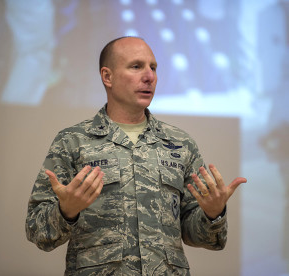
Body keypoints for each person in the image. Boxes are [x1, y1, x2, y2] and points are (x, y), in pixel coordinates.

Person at [26, 36, 247, 276]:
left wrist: (213, 213)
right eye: (136, 66)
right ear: (107, 76)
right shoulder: (73, 141)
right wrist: (65, 212)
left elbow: (200, 236)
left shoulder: (180, 144)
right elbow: (37, 232)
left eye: (153, 67)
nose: (150, 76)